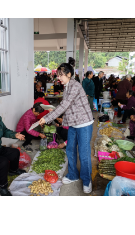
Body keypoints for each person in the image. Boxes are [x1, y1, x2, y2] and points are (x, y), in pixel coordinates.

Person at [39, 57, 94, 194]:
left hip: (84, 124)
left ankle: (87, 181)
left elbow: (64, 105)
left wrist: (47, 118)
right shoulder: (68, 86)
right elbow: (67, 107)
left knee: (84, 153)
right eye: (58, 75)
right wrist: (55, 116)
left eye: (61, 75)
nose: (59, 78)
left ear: (69, 74)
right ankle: (73, 175)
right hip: (73, 124)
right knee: (70, 149)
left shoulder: (75, 86)